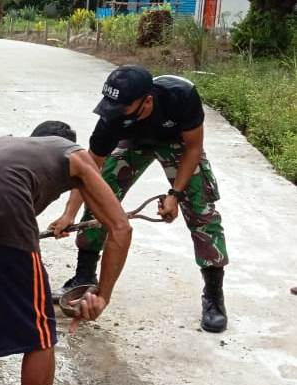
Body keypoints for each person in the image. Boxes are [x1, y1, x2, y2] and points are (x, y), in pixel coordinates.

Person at [0, 121, 132, 385]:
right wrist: (103, 296)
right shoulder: (75, 154)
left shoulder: (6, 148)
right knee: (39, 333)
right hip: (1, 207)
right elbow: (120, 228)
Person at [51, 65, 229, 332]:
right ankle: (84, 275)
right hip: (133, 142)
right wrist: (69, 214)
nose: (113, 112)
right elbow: (87, 170)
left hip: (178, 143)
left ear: (147, 101)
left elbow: (194, 147)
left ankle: (214, 296)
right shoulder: (112, 116)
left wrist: (175, 195)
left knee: (202, 209)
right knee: (101, 197)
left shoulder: (180, 96)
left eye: (122, 107)